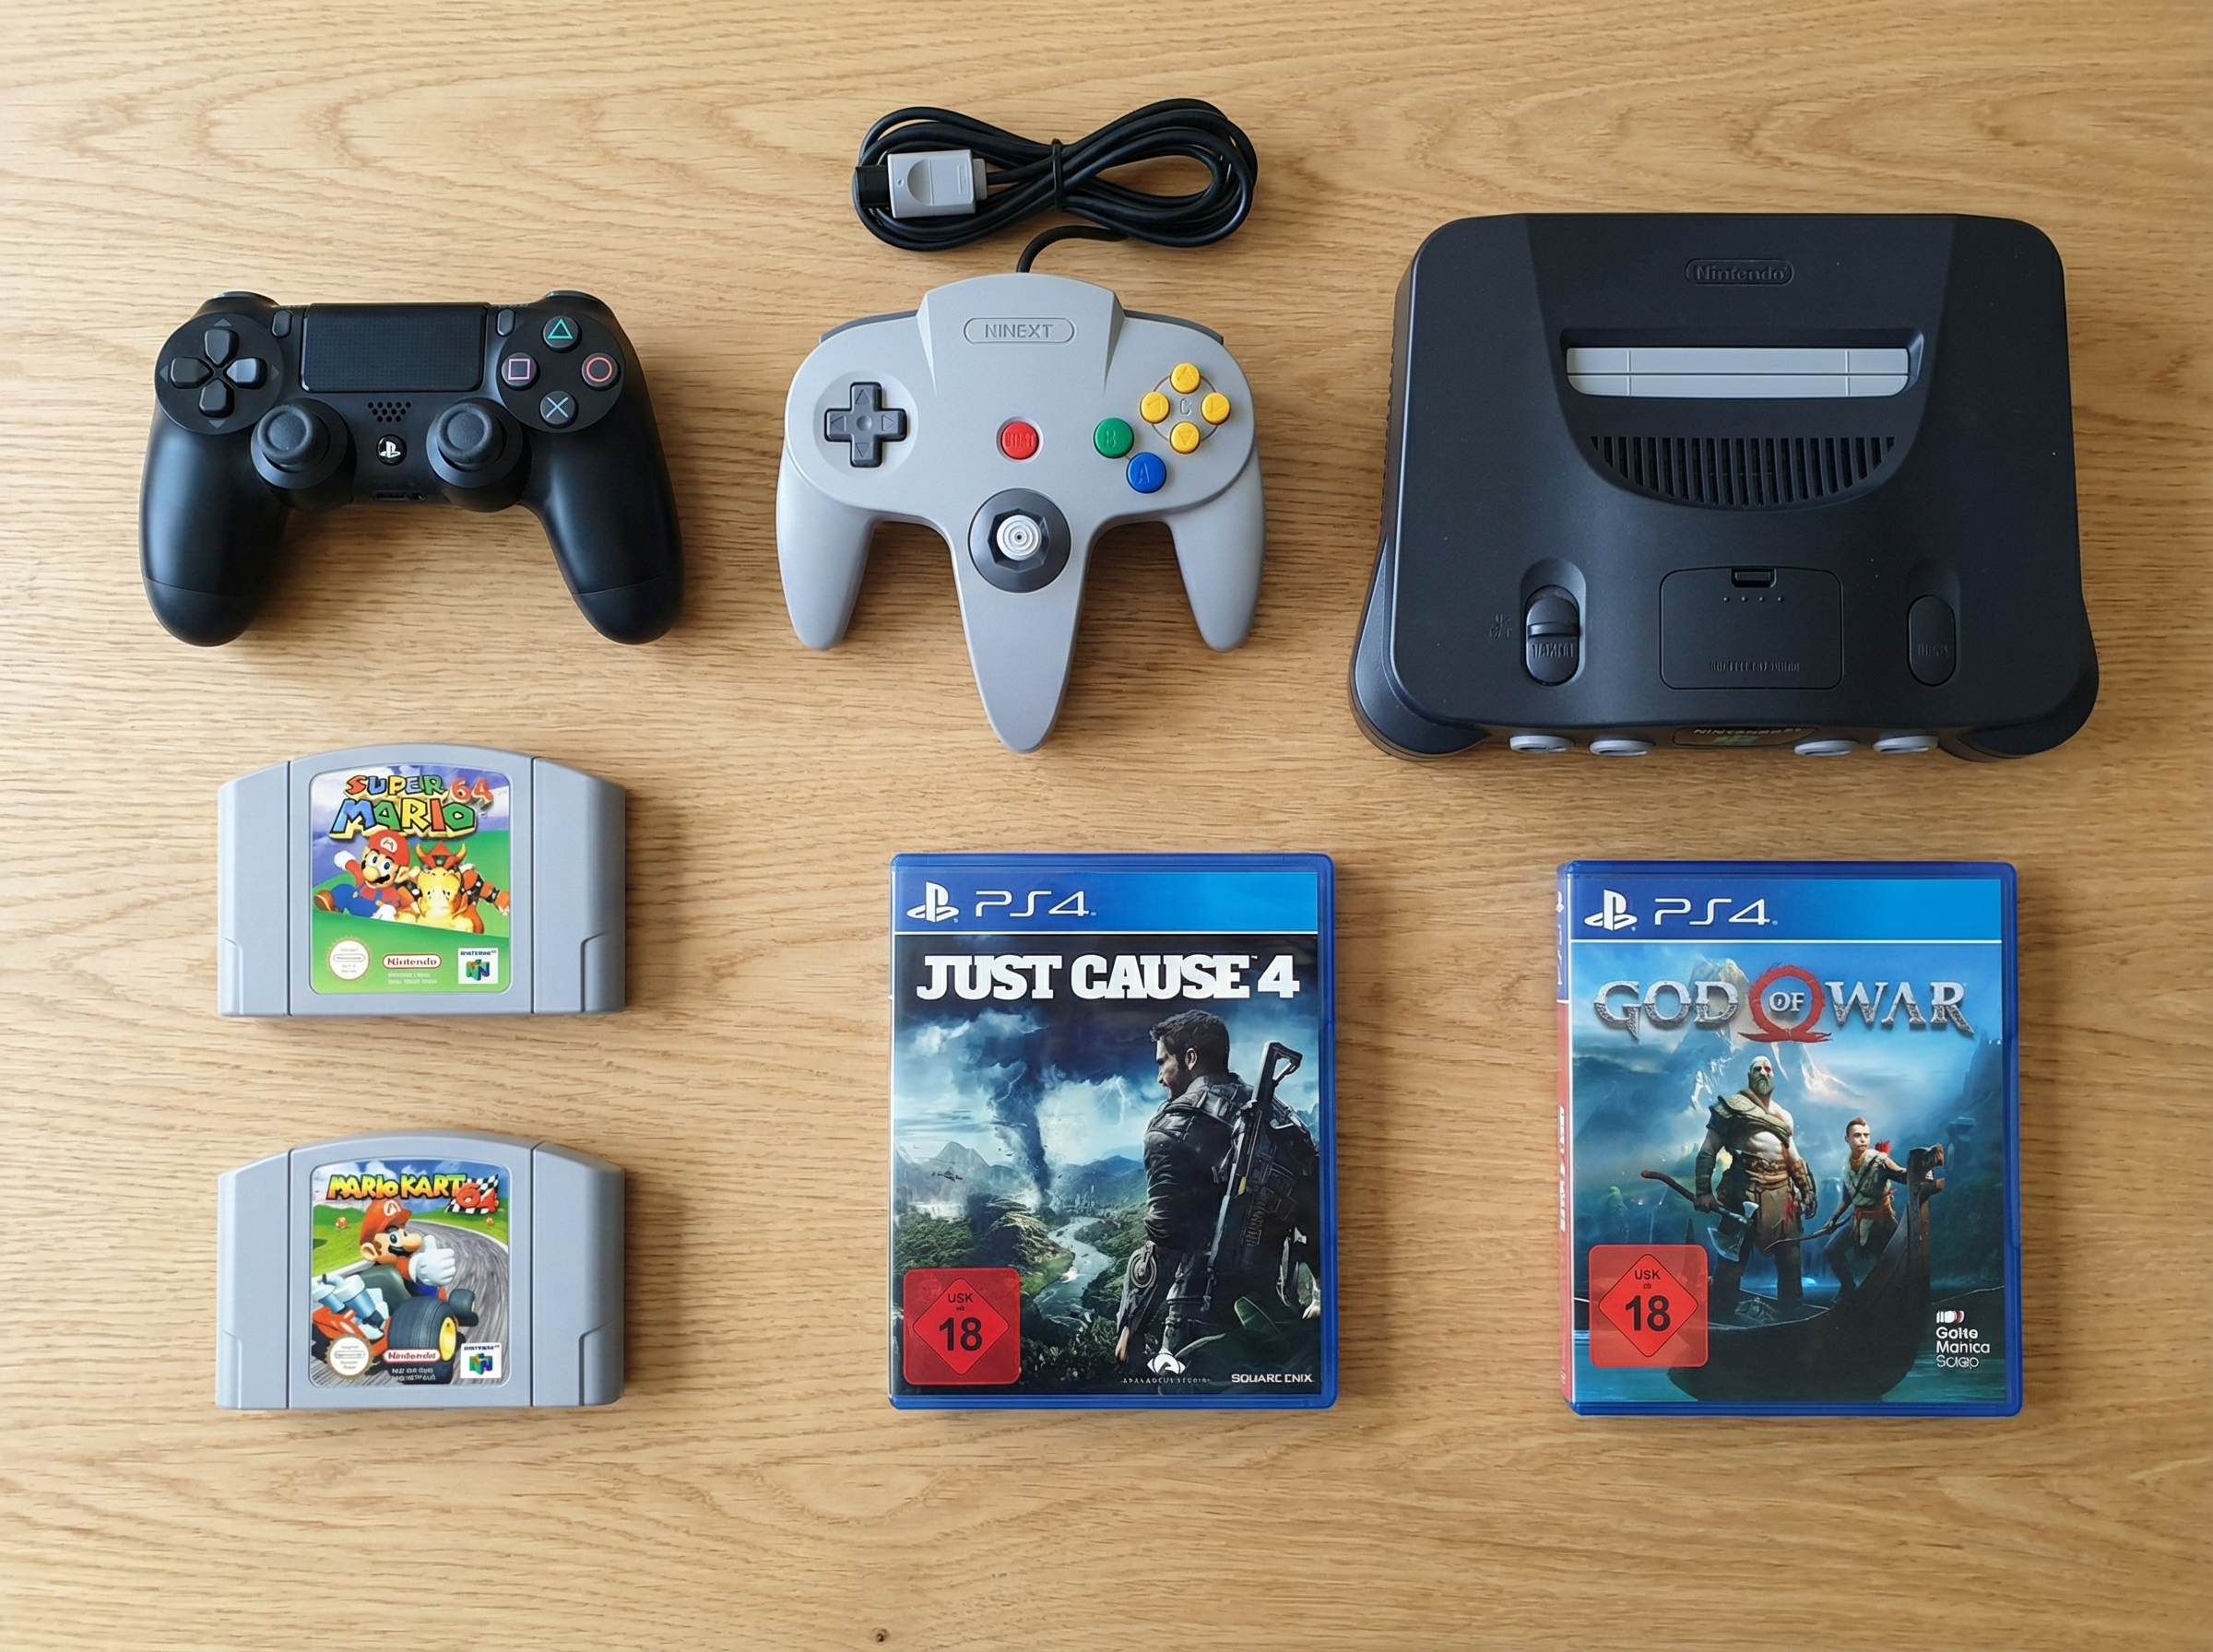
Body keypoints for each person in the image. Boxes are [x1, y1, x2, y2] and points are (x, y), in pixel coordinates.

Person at [1130, 1009, 1319, 1363]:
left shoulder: (1172, 1126)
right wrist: (1321, 1294)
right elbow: (1317, 1215)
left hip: (1194, 1320)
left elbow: (1164, 1241)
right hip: (1270, 1316)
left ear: (1190, 1058)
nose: (1159, 1077)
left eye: (1163, 1063)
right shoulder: (1285, 1121)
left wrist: (1132, 1328)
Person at [1693, 1055, 1817, 1319]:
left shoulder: (1784, 1115)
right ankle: (1721, 1317)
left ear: (1773, 1076)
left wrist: (1807, 1190)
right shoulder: (1732, 1108)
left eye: (1767, 1068)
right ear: (1750, 1075)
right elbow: (1708, 1150)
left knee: (1791, 1259)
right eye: (1757, 1068)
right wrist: (1703, 1191)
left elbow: (1793, 1157)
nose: (1763, 1072)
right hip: (1743, 1192)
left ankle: (1793, 1317)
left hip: (1783, 1196)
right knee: (1732, 1260)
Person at [1825, 1116, 1909, 1294]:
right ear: (1847, 1139)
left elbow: (1903, 1175)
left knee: (1885, 1261)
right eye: (1857, 1135)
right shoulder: (1846, 1165)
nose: (1863, 1139)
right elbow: (1847, 1199)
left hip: (1881, 1221)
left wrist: (1920, 1172)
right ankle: (1848, 1287)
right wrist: (1833, 1220)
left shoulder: (1880, 1161)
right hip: (1858, 1220)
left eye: (1866, 1135)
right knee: (1831, 1250)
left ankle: (1889, 1296)